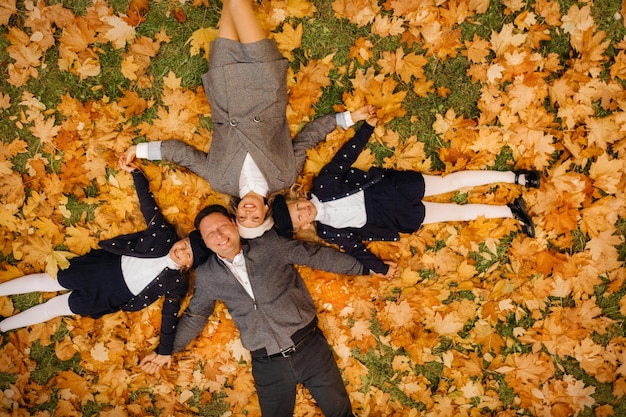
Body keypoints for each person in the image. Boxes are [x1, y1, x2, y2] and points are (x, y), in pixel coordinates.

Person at [121, 0, 366, 239]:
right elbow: (308, 138)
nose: (248, 215)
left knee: (231, 6)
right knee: (239, 4)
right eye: (255, 219)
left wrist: (139, 149)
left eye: (243, 219)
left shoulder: (220, 180)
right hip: (266, 89)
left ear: (235, 213)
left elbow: (182, 154)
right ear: (266, 211)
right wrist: (346, 118)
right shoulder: (285, 176)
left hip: (225, 93)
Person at [139, 204, 366, 416]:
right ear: (206, 244)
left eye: (222, 226)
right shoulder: (208, 276)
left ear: (234, 223)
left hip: (310, 349)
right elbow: (195, 316)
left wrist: (367, 268)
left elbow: (316, 256)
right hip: (268, 365)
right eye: (210, 234)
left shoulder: (270, 244)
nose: (219, 236)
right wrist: (165, 350)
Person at [271, 107, 540, 278]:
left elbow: (345, 156)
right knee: (454, 213)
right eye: (299, 219)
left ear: (298, 199)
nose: (302, 213)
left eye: (296, 208)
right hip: (396, 217)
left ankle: (515, 177)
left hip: (393, 188)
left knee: (451, 182)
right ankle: (510, 210)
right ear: (303, 226)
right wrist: (380, 268)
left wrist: (366, 128)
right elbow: (356, 249)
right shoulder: (327, 231)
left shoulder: (324, 184)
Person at [0, 158, 211, 370]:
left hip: (109, 296)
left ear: (188, 266)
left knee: (54, 308)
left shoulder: (177, 282)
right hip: (98, 269)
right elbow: (149, 207)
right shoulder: (164, 236)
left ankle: (3, 326)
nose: (180, 251)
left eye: (187, 255)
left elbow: (169, 315)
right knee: (47, 281)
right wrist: (137, 175)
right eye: (184, 244)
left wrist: (164, 351)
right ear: (181, 238)